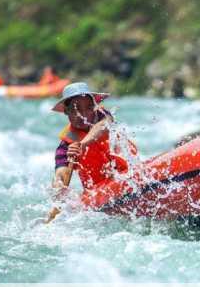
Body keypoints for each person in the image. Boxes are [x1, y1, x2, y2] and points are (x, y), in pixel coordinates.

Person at [46, 82, 136, 222]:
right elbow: (60, 175)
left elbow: (104, 125)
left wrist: (82, 144)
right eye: (76, 109)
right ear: (67, 112)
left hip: (129, 176)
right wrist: (59, 189)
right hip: (99, 193)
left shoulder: (103, 115)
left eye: (88, 107)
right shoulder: (65, 147)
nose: (83, 114)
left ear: (94, 107)